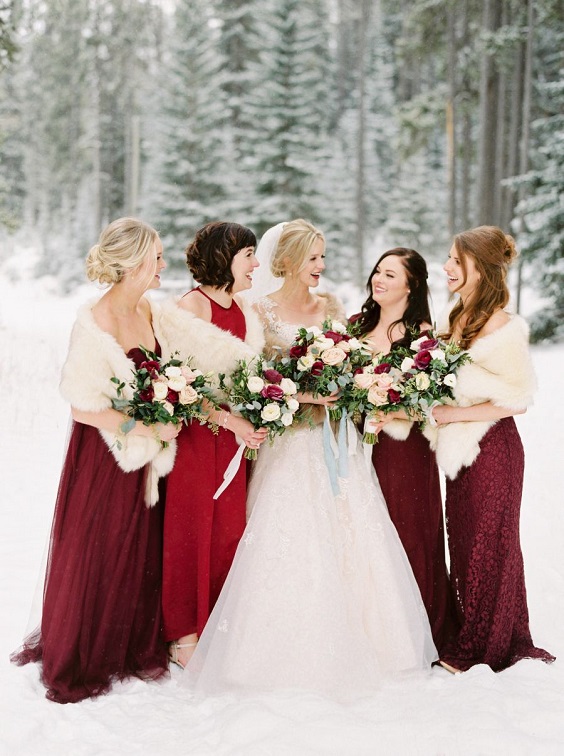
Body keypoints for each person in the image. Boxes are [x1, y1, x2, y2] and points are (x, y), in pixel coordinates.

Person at [181, 219, 437, 699]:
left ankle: (372, 642)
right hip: (290, 442)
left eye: (323, 256)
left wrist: (343, 388)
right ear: (293, 261)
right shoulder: (258, 311)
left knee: (351, 530)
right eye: (315, 257)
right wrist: (300, 393)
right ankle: (272, 648)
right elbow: (254, 379)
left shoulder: (334, 307)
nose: (322, 266)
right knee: (288, 533)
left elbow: (350, 367)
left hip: (335, 442)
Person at [10, 218, 181, 703]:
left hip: (147, 454)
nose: (162, 265)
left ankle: (130, 641)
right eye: (157, 258)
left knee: (139, 545)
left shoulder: (148, 308)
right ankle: (87, 652)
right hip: (106, 453)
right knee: (100, 545)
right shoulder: (95, 321)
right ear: (133, 264)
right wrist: (145, 425)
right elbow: (80, 406)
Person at [427, 225, 555, 673]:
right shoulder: (453, 315)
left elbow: (516, 399)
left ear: (479, 269)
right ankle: (470, 631)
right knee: (461, 541)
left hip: (492, 450)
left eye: (454, 261)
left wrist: (451, 414)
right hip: (458, 452)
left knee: (489, 544)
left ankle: (487, 646)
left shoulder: (502, 325)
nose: (445, 267)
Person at [157, 221, 268, 670]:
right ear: (225, 257)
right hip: (199, 438)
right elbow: (176, 384)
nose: (256, 264)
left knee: (227, 533)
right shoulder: (192, 307)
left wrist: (260, 414)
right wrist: (228, 419)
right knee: (190, 529)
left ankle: (217, 624)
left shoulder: (244, 309)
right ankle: (182, 633)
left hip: (236, 440)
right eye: (248, 256)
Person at [353, 248, 457, 653]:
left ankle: (420, 632)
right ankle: (373, 627)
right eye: (378, 270)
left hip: (404, 449)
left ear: (411, 285)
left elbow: (430, 398)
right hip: (354, 445)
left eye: (390, 275)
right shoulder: (355, 326)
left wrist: (389, 408)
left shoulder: (421, 335)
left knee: (408, 530)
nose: (379, 279)